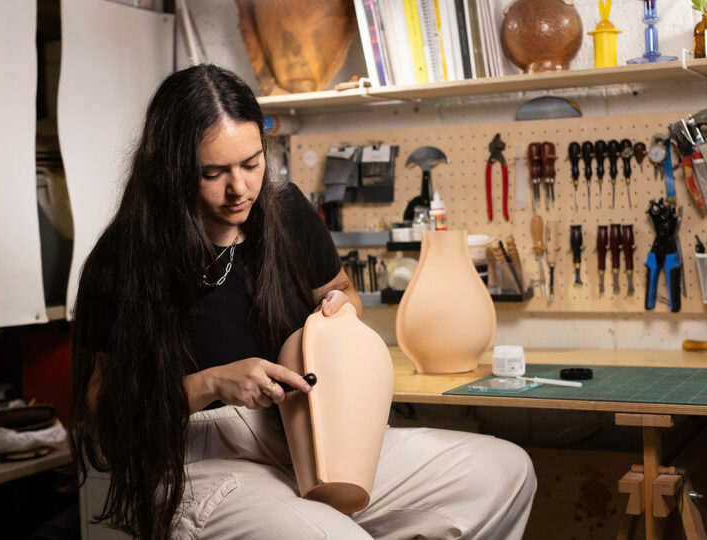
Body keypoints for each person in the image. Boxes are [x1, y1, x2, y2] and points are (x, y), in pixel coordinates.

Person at [69, 64, 536, 539]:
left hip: (304, 436)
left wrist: (338, 313)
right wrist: (210, 384)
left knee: (503, 471)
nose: (240, 189)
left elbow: (343, 292)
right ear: (170, 171)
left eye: (252, 164)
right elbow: (102, 413)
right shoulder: (123, 259)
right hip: (196, 458)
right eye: (213, 173)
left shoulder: (287, 213)